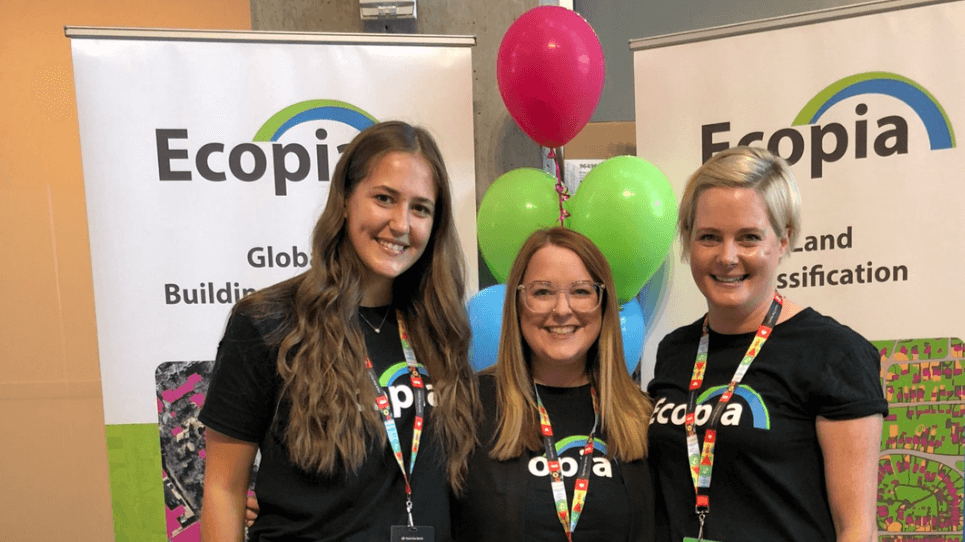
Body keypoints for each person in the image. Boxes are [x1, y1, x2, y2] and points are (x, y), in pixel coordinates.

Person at [198, 120, 479, 542]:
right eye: (384, 198)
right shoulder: (268, 322)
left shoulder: (439, 326)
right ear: (345, 201)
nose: (401, 224)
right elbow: (223, 488)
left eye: (420, 208)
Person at [647, 147, 888, 542]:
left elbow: (856, 529)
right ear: (688, 241)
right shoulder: (676, 350)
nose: (727, 257)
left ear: (783, 240)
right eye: (709, 237)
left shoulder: (834, 353)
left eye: (748, 238)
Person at [453, 227, 654, 542]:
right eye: (543, 292)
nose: (562, 310)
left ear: (603, 304)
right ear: (518, 303)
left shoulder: (642, 414)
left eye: (581, 291)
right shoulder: (469, 405)